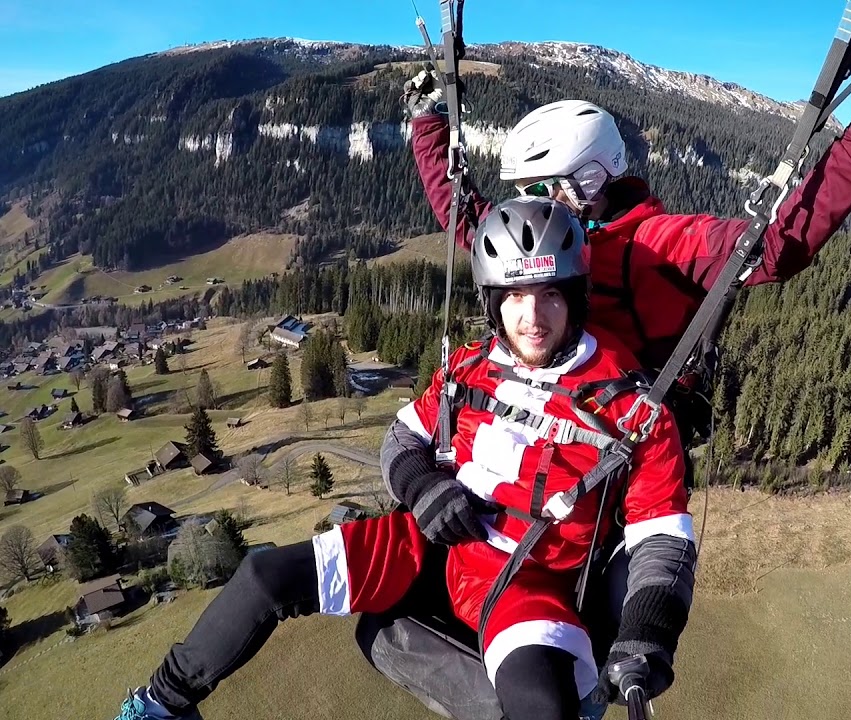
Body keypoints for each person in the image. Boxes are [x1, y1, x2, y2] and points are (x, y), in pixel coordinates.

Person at [112, 197, 697, 720]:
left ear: (575, 296)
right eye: (515, 296)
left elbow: (661, 539)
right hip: (430, 541)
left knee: (540, 705)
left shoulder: (632, 408)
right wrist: (421, 487)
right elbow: (402, 437)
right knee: (266, 576)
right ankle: (160, 704)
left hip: (526, 579)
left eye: (549, 295)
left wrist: (646, 635)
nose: (532, 317)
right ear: (494, 302)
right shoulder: (471, 366)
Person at [403, 70, 851, 403]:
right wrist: (429, 124)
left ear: (588, 178)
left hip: (630, 428)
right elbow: (469, 224)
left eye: (541, 187)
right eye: (523, 191)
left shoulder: (662, 243)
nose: (528, 204)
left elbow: (776, 247)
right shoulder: (545, 235)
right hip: (552, 407)